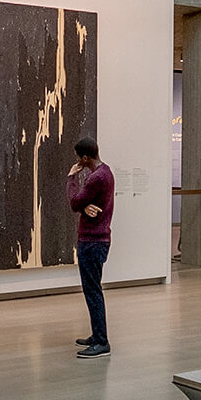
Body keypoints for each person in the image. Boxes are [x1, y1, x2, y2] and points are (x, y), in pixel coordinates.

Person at [66, 137, 115, 358]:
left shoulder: (96, 179)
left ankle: (102, 342)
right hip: (98, 239)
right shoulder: (106, 172)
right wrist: (85, 206)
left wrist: (72, 178)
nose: (78, 161)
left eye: (79, 158)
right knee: (93, 289)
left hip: (92, 241)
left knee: (92, 291)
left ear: (85, 157)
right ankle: (97, 335)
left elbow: (74, 202)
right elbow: (84, 204)